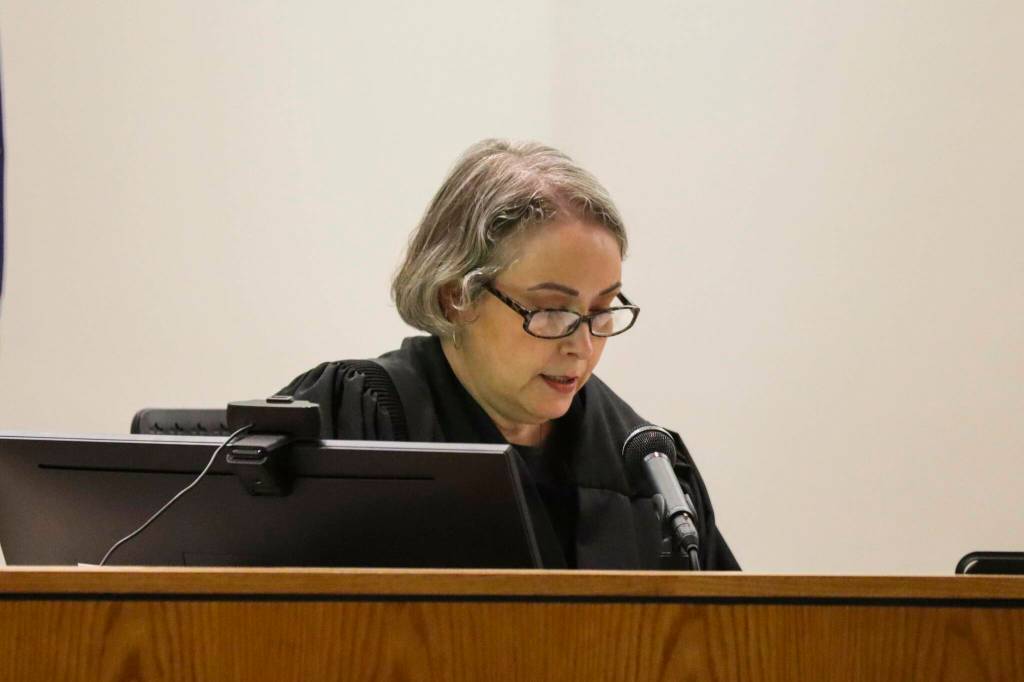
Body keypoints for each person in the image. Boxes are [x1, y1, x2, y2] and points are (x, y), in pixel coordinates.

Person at [280, 139, 739, 570]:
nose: (581, 346)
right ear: (455, 297)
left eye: (601, 310)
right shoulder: (355, 423)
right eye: (551, 311)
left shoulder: (643, 464)